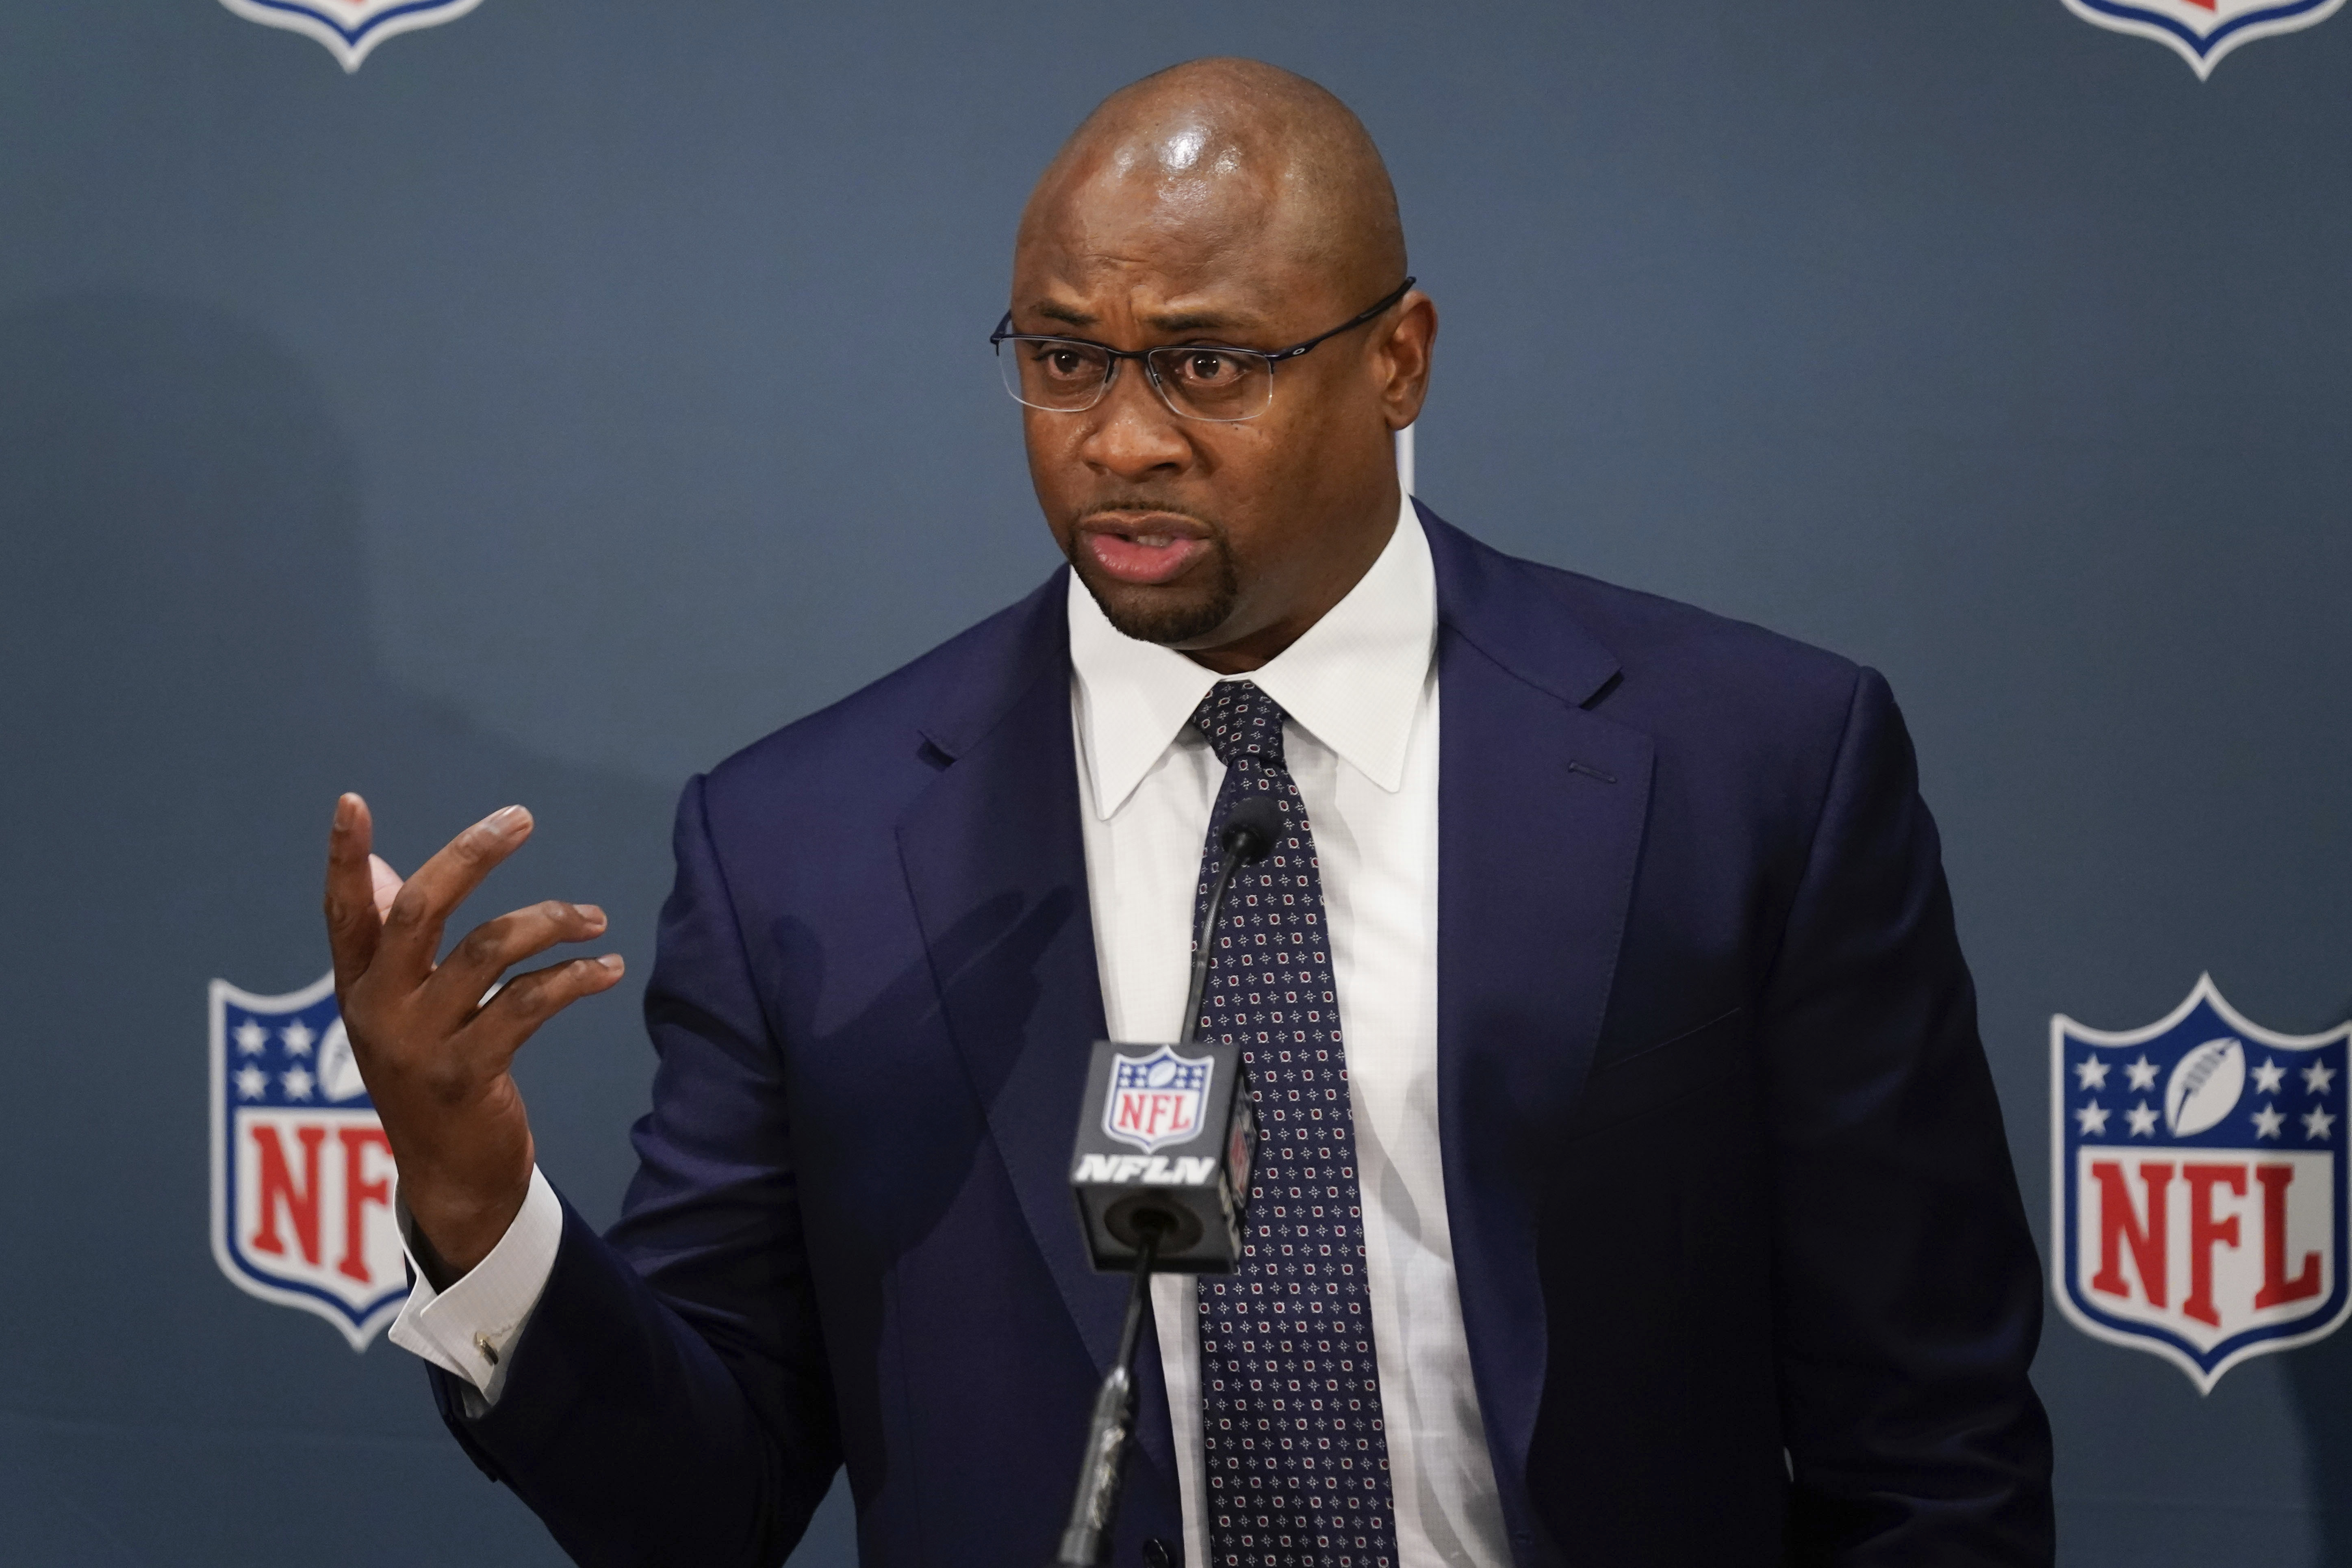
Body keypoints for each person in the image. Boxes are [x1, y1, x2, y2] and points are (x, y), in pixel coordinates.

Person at [323, 57, 2054, 1568]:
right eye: (1063, 358)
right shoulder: (805, 845)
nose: (1119, 438)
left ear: (1399, 359)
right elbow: (696, 1506)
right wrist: (480, 1212)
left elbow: (1927, 1444)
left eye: (1207, 366)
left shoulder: (1750, 764)